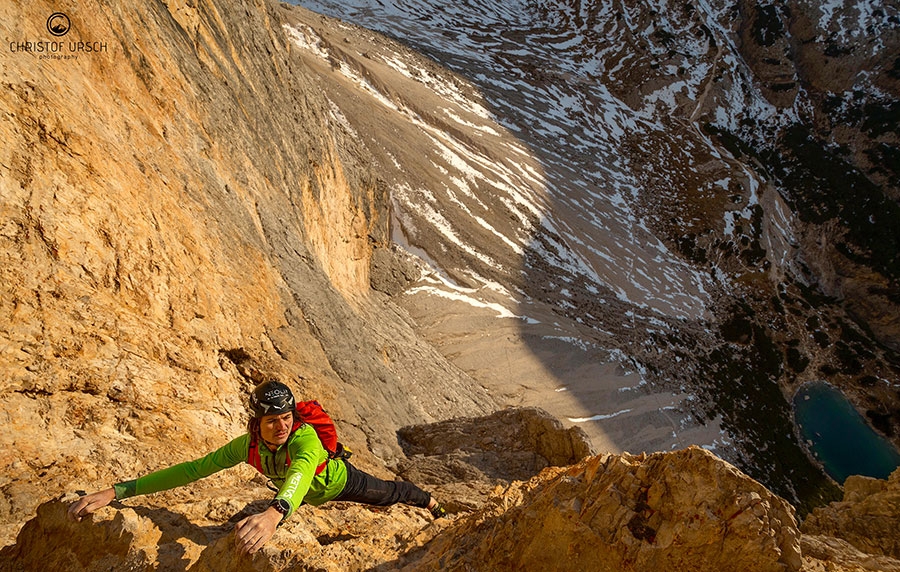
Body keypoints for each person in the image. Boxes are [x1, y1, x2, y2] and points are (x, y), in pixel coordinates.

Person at [68, 379, 447, 555]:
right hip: (295, 497)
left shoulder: (305, 440)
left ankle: (431, 504)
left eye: (286, 418)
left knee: (387, 494)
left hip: (336, 483)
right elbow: (192, 470)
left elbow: (299, 476)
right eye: (272, 421)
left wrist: (273, 515)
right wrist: (118, 491)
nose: (281, 426)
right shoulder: (246, 447)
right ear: (257, 424)